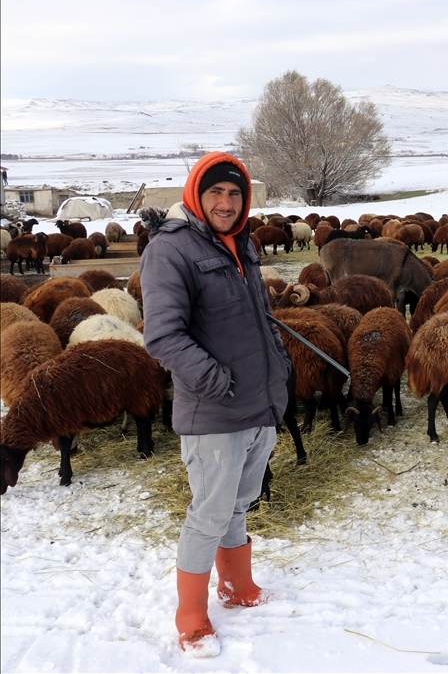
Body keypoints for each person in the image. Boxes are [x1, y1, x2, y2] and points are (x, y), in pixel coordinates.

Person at [140, 152, 290, 657]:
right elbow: (163, 335)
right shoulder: (170, 250)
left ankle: (237, 586)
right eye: (216, 193)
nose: (226, 203)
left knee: (239, 504)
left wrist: (279, 365)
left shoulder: (243, 243)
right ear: (196, 195)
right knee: (209, 513)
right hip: (214, 409)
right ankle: (191, 616)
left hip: (260, 403)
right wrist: (215, 381)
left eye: (235, 194)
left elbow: (261, 318)